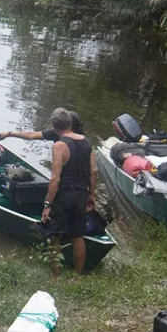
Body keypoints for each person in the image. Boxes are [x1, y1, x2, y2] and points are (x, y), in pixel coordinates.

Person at [42, 108, 97, 277]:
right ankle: (78, 276)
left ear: (54, 126)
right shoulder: (87, 142)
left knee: (55, 237)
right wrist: (91, 195)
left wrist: (47, 204)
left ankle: (56, 277)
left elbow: (55, 179)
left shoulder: (59, 146)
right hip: (81, 195)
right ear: (70, 123)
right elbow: (93, 172)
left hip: (64, 196)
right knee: (78, 236)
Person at [0, 111, 84, 142]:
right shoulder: (85, 141)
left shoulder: (59, 135)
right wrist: (9, 133)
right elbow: (31, 135)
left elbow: (31, 135)